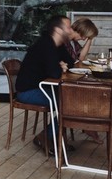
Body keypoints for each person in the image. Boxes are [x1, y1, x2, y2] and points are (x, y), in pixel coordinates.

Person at [15, 14, 73, 152]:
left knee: (70, 100)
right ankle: (47, 137)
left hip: (42, 88)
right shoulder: (45, 45)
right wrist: (60, 66)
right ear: (58, 30)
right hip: (28, 92)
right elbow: (55, 73)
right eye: (68, 27)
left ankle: (53, 138)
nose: (71, 31)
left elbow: (71, 63)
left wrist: (61, 65)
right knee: (69, 103)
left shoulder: (57, 45)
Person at [64, 17, 103, 143]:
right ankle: (88, 125)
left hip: (72, 77)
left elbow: (81, 57)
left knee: (94, 91)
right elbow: (78, 61)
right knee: (88, 94)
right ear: (80, 31)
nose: (84, 39)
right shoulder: (64, 42)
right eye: (85, 36)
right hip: (65, 80)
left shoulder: (72, 42)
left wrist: (90, 39)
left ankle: (88, 125)